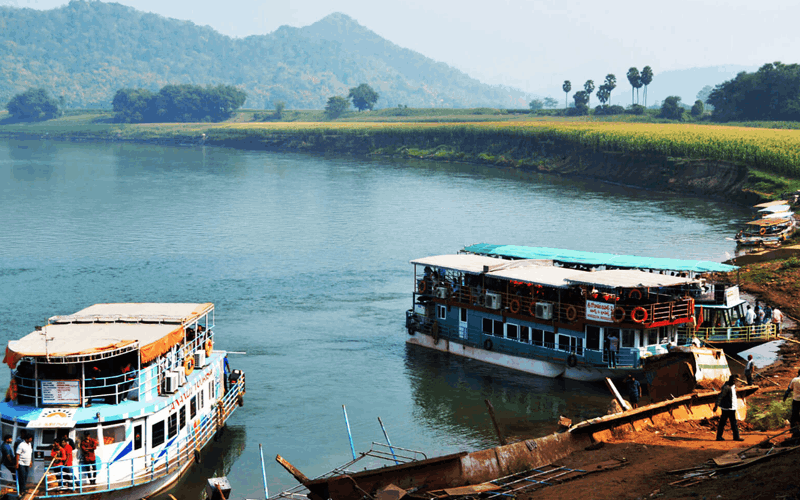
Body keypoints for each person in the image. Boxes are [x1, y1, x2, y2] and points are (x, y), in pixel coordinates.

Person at [714, 375, 744, 441]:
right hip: (727, 408)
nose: (735, 382)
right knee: (724, 423)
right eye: (734, 380)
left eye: (735, 380)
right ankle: (720, 437)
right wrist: (716, 406)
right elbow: (720, 396)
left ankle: (735, 437)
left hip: (732, 408)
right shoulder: (726, 387)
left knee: (733, 423)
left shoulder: (732, 386)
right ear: (731, 380)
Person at [783, 369, 800, 439]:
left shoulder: (794, 380)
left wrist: (785, 397)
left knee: (794, 415)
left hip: (796, 400)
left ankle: (793, 430)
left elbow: (789, 390)